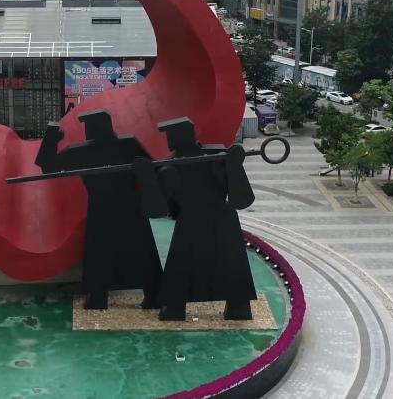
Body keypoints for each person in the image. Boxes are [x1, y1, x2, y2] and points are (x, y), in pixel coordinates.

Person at [35, 110, 163, 310]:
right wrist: (51, 139)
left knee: (105, 251)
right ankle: (146, 295)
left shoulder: (86, 150)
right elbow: (153, 167)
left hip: (105, 207)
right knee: (135, 250)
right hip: (125, 206)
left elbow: (47, 165)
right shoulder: (126, 144)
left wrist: (52, 139)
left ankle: (101, 297)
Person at [135, 117, 257, 321]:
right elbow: (242, 200)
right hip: (219, 220)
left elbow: (156, 210)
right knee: (226, 263)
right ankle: (237, 307)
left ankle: (176, 308)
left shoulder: (178, 165)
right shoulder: (209, 158)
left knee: (187, 266)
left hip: (196, 222)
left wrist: (147, 179)